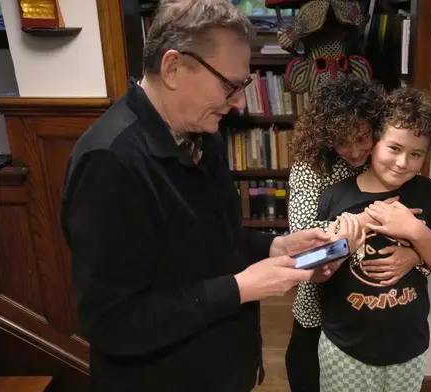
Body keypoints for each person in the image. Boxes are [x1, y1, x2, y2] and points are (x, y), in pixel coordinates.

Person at [59, 1, 342, 391]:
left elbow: (214, 240)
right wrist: (241, 287)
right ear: (174, 68)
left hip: (223, 367)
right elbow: (113, 322)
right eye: (230, 85)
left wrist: (275, 247)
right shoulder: (108, 162)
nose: (240, 102)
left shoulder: (203, 135)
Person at [316, 87, 431, 392]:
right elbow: (308, 267)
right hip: (345, 349)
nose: (402, 163)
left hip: (408, 350)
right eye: (394, 148)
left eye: (416, 154)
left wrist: (414, 232)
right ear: (373, 142)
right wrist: (351, 236)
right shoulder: (336, 196)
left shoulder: (430, 195)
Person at [285, 76, 428, 392]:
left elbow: (420, 225)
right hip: (320, 313)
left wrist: (418, 255)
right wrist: (363, 221)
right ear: (324, 137)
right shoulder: (312, 167)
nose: (353, 151)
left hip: (378, 317)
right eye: (341, 141)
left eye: (362, 138)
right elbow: (304, 253)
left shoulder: (391, 162)